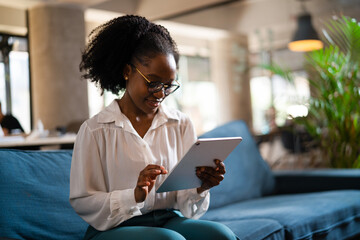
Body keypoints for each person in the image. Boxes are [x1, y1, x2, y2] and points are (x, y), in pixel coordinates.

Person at [70, 15, 238, 240]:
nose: (160, 94)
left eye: (168, 86)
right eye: (153, 83)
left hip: (169, 219)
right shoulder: (95, 130)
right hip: (113, 229)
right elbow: (84, 200)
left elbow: (186, 206)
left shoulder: (180, 124)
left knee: (221, 236)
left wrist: (201, 186)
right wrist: (134, 195)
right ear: (127, 71)